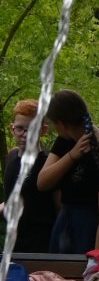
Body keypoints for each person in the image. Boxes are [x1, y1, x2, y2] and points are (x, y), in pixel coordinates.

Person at [36, 89, 99, 253]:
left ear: (61, 124)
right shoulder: (65, 140)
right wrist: (72, 156)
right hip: (67, 223)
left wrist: (97, 259)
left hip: (93, 228)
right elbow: (42, 182)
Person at [4, 99, 57, 253]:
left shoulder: (48, 164)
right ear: (12, 129)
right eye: (19, 129)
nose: (25, 135)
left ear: (43, 130)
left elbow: (59, 205)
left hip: (40, 245)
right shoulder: (12, 157)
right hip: (13, 243)